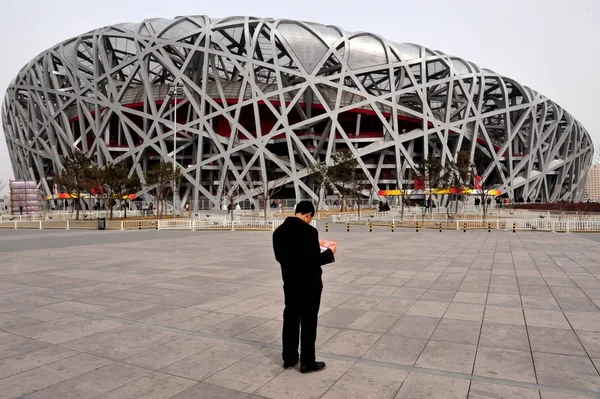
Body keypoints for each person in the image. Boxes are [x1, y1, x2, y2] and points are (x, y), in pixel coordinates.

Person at [272, 201, 336, 373]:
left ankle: (289, 358)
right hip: (309, 285)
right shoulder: (309, 231)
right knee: (308, 322)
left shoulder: (278, 232)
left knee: (291, 320)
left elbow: (282, 258)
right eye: (310, 218)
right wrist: (330, 252)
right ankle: (308, 362)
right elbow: (313, 260)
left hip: (290, 283)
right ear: (308, 214)